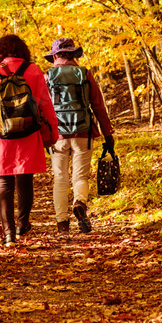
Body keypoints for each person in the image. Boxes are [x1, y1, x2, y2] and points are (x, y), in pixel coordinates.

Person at [0, 34, 57, 247]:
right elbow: (45, 103)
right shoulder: (34, 70)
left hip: (0, 135)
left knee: (3, 182)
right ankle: (22, 225)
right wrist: (53, 132)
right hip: (28, 132)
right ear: (23, 51)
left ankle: (8, 233)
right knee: (25, 180)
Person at [44, 38, 114, 234]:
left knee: (60, 177)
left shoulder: (47, 77)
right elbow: (98, 106)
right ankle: (79, 203)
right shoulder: (84, 74)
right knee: (80, 176)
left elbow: (41, 107)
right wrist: (108, 134)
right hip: (83, 132)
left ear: (55, 55)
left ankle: (62, 223)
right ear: (73, 54)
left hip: (57, 136)